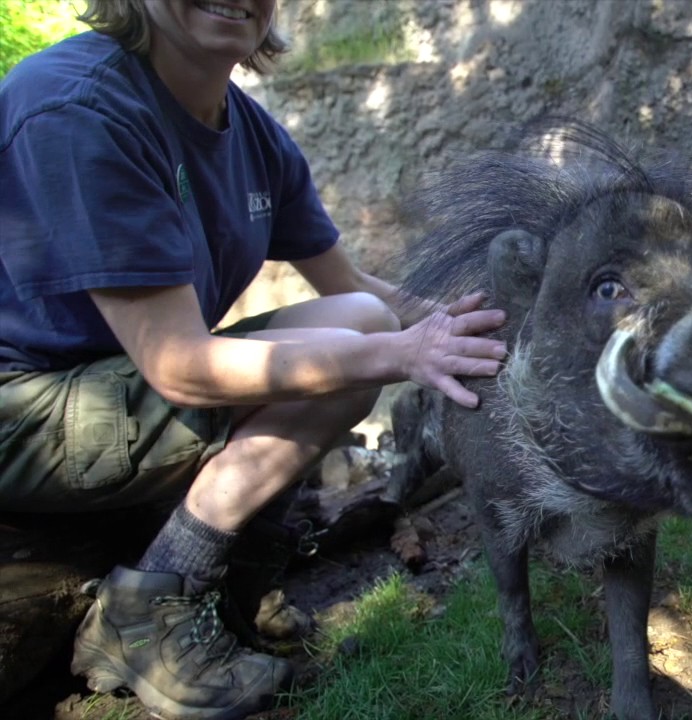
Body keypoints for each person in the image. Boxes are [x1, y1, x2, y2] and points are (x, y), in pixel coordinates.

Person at [0, 1, 507, 717]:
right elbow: (179, 367)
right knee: (356, 354)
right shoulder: (76, 109)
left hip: (112, 391)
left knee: (359, 323)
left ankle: (234, 590)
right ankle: (150, 609)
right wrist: (398, 355)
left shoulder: (250, 130)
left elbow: (354, 288)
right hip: (21, 406)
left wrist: (477, 326)